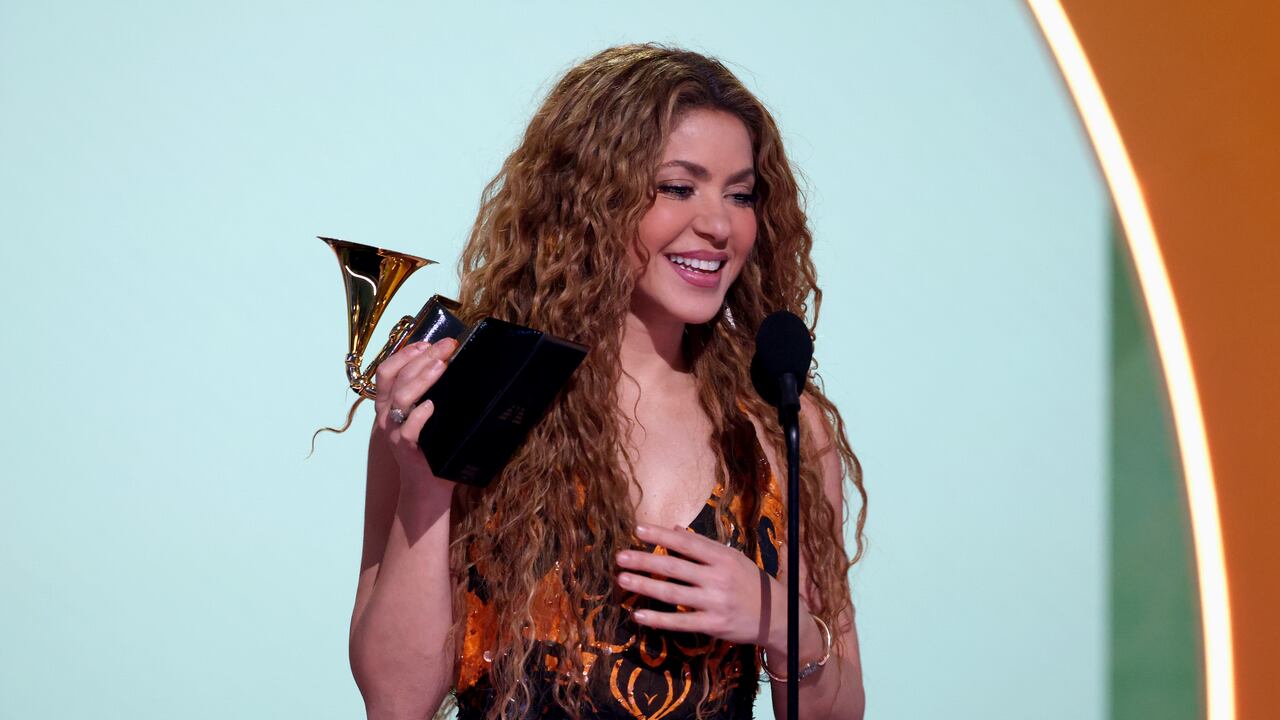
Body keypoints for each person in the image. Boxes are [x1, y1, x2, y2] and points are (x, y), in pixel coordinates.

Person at [347, 44, 868, 720]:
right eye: (678, 187)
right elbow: (396, 703)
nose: (717, 225)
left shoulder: (778, 423)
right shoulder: (465, 391)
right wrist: (425, 487)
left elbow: (839, 712)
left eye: (740, 194)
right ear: (589, 199)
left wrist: (781, 626)